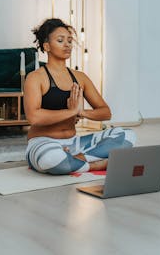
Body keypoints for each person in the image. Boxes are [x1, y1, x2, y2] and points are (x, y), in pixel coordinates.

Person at [24, 18, 136, 175]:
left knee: (128, 135)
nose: (68, 45)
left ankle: (76, 159)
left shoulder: (80, 77)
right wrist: (71, 112)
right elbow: (34, 117)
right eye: (60, 40)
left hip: (74, 143)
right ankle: (94, 165)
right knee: (51, 159)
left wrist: (81, 112)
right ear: (46, 46)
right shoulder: (35, 78)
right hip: (43, 142)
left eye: (69, 40)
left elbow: (105, 112)